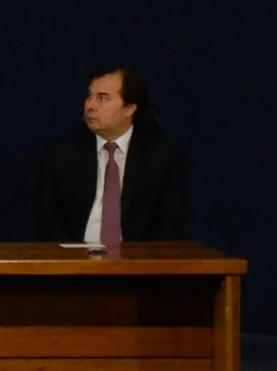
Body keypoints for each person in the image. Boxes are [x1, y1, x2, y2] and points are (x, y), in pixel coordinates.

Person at [35, 64, 187, 243]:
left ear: (129, 109)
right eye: (89, 96)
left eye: (103, 98)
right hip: (75, 262)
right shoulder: (60, 154)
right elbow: (47, 222)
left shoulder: (163, 157)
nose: (90, 106)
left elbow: (169, 227)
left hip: (138, 264)